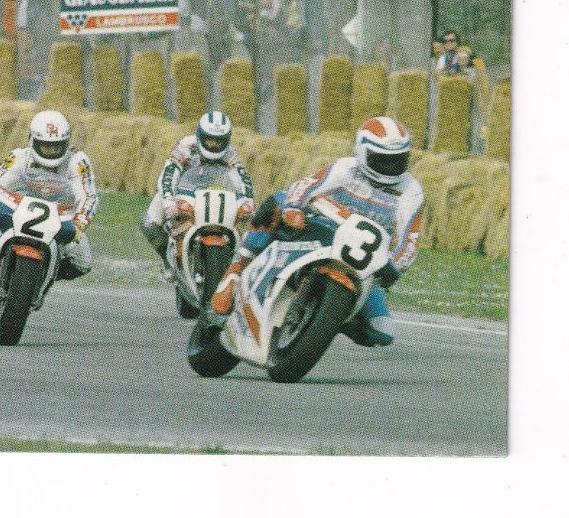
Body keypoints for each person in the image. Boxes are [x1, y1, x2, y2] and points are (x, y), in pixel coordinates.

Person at [206, 117, 424, 347]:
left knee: (381, 332)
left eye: (398, 160)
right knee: (277, 202)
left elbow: (410, 240)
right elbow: (305, 185)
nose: (390, 167)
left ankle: (329, 318)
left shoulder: (411, 191)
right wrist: (293, 208)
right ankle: (235, 271)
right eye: (382, 160)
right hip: (321, 231)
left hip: (362, 260)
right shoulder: (346, 168)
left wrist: (394, 267)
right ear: (362, 152)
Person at [0, 109, 97, 282]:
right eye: (45, 145)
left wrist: (80, 222)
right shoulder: (19, 156)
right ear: (33, 140)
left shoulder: (78, 160)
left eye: (57, 146)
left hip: (60, 215)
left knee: (83, 263)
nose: (51, 151)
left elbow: (88, 195)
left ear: (66, 143)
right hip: (17, 207)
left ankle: (43, 277)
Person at [139, 111, 253, 260]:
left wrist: (248, 202)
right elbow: (169, 172)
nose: (213, 145)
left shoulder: (230, 153)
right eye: (209, 140)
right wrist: (168, 199)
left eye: (219, 141)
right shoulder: (186, 146)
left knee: (247, 229)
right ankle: (169, 260)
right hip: (182, 190)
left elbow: (242, 178)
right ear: (200, 135)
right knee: (149, 224)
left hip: (216, 193)